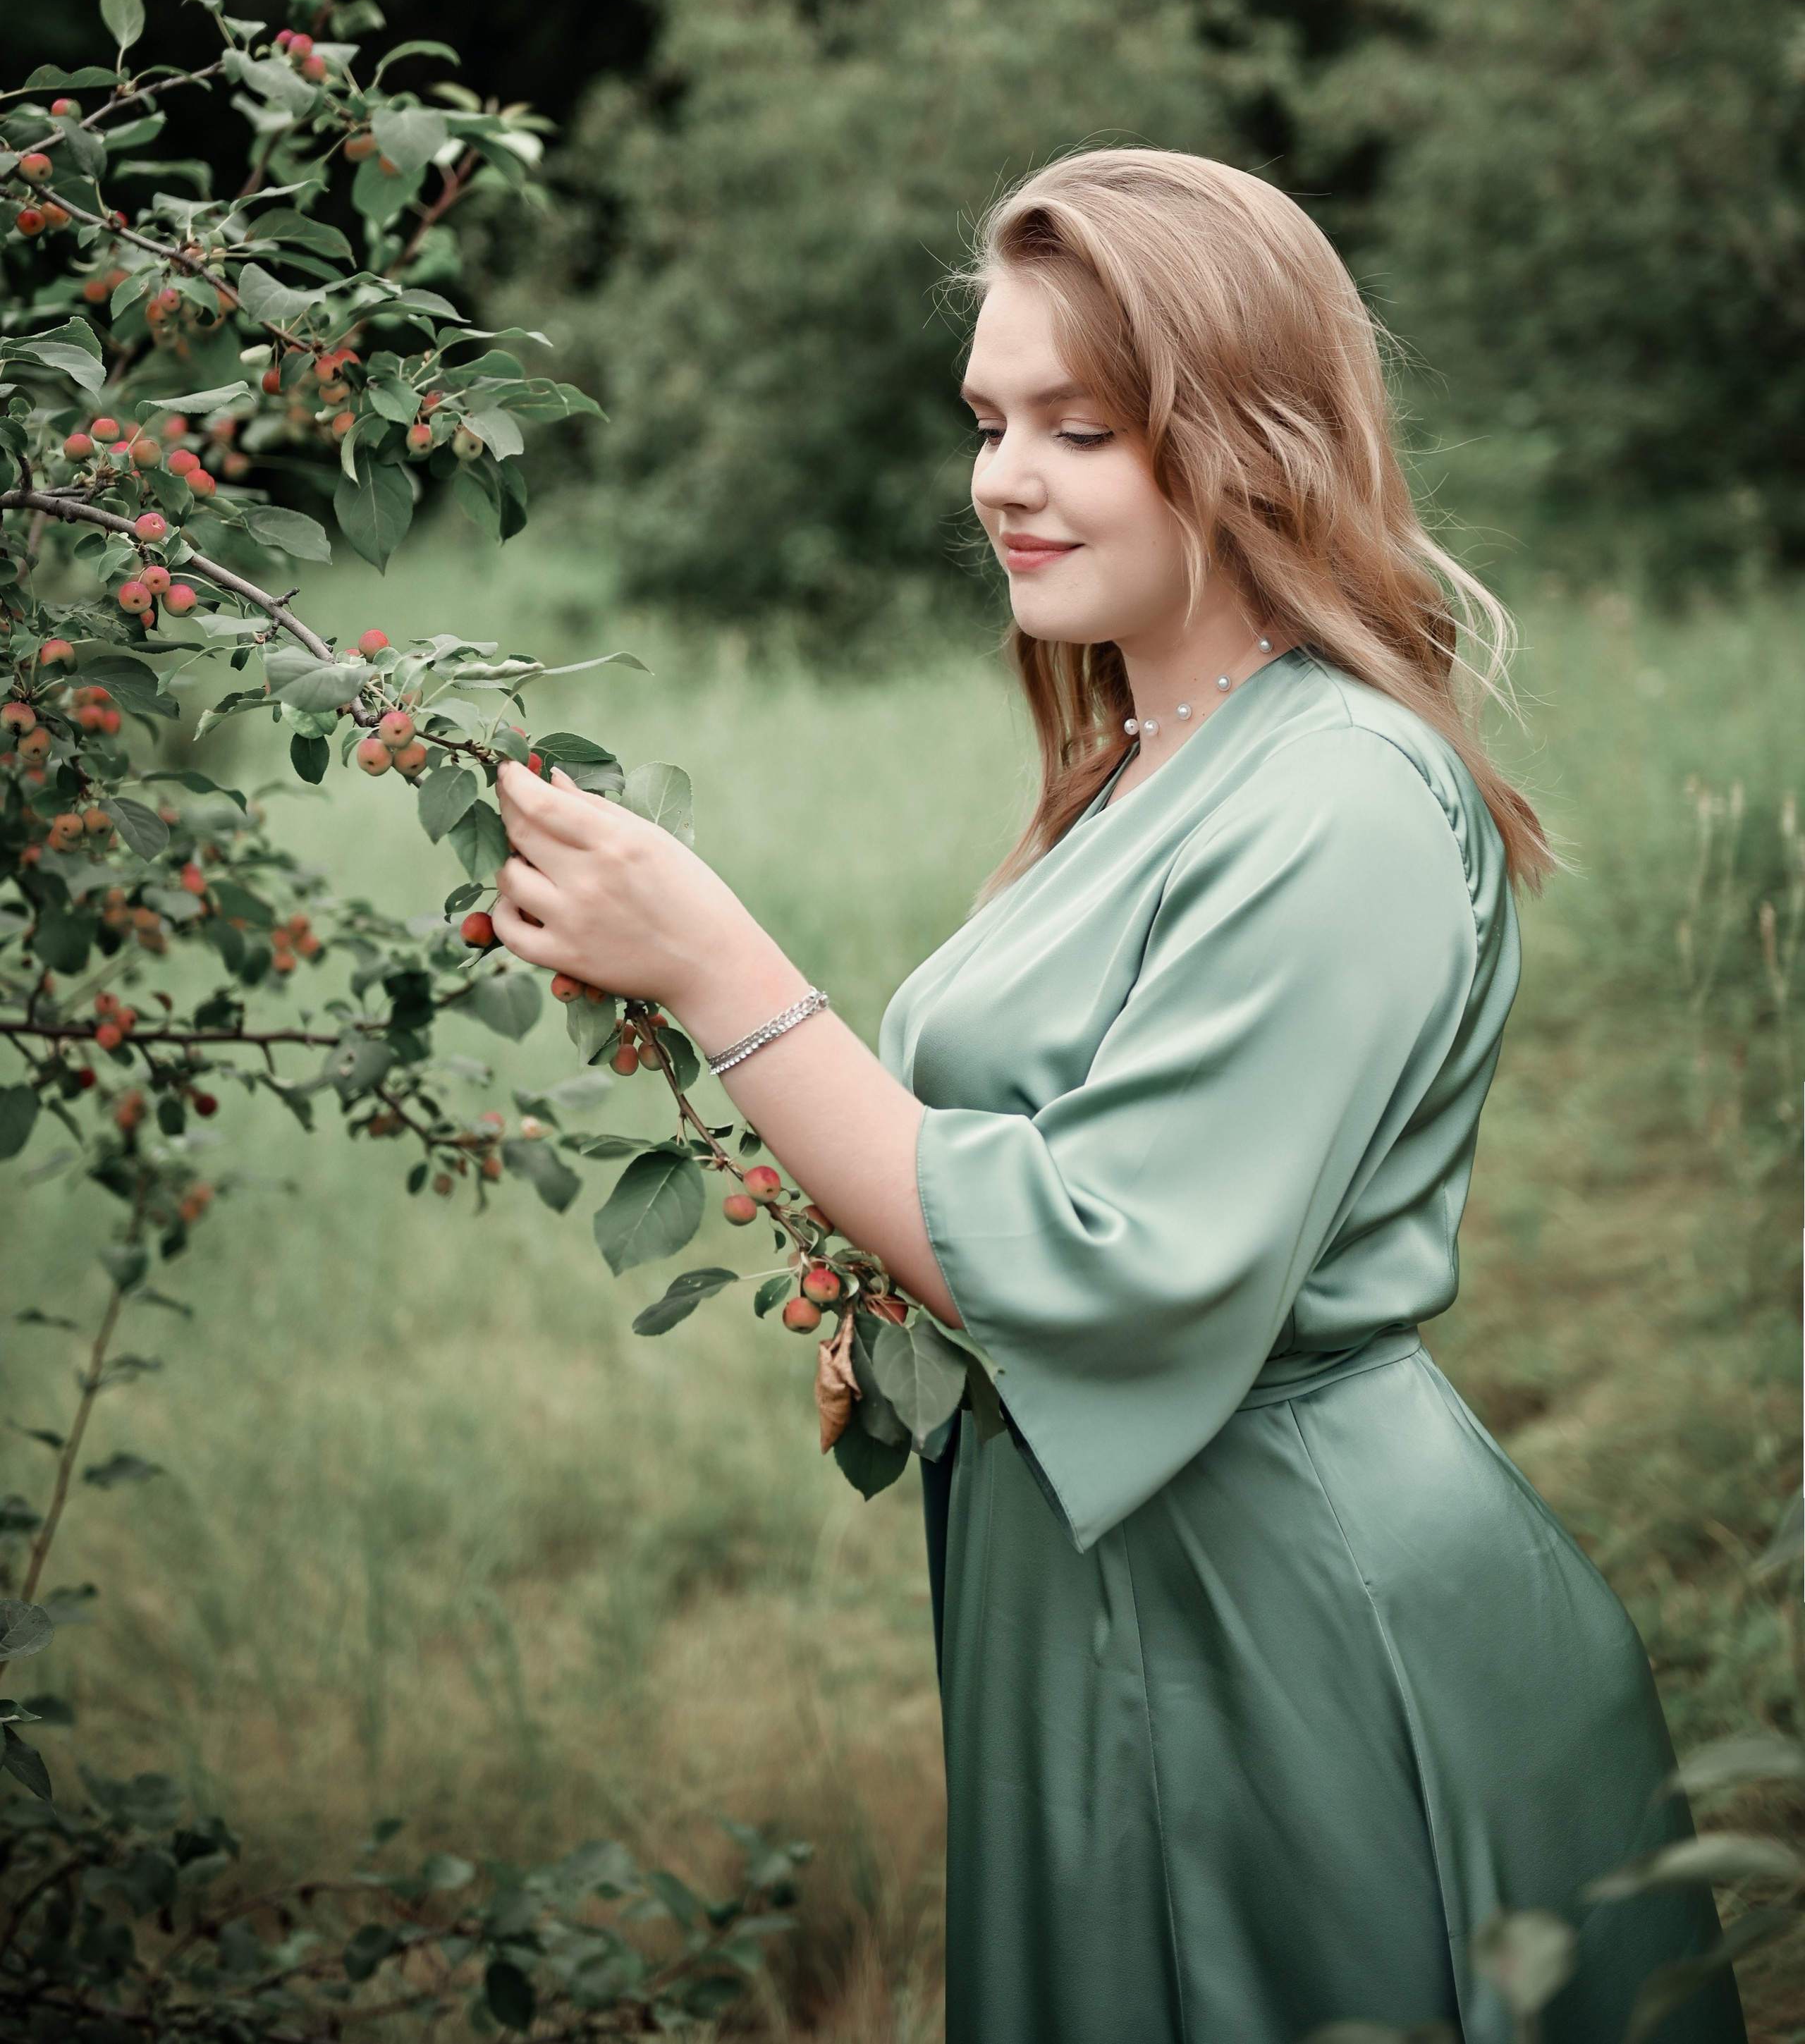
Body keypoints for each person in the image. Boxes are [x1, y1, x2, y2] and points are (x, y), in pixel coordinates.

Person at [491, 149, 1743, 2044]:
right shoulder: (1145, 759)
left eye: (1079, 428)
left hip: (1299, 1626)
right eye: (989, 421)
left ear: (1250, 439)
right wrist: (912, 1296)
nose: (1004, 477)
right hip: (1106, 1587)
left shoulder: (1341, 795)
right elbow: (1052, 1154)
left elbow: (1118, 1259)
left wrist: (721, 971)